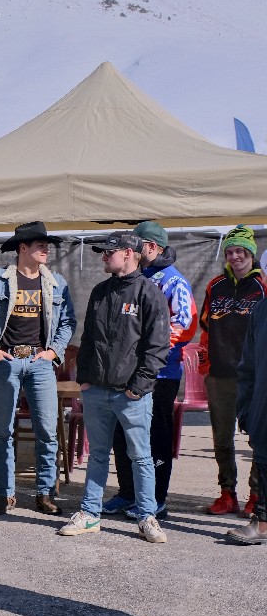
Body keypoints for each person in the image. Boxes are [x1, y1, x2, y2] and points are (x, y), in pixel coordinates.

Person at [58, 231, 170, 544]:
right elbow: (89, 338)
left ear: (129, 254)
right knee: (97, 456)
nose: (104, 257)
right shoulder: (100, 291)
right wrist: (85, 378)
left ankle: (147, 517)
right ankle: (89, 514)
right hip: (96, 390)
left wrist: (139, 386)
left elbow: (158, 346)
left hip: (130, 394)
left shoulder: (149, 293)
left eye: (110, 252)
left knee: (141, 457)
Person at [0, 221, 76, 517]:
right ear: (23, 248)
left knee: (47, 431)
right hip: (6, 361)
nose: (46, 250)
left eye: (47, 245)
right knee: (1, 432)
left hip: (39, 363)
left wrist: (53, 352)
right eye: (40, 245)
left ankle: (45, 494)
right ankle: (4, 494)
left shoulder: (57, 282)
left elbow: (68, 322)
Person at [104, 221, 196, 520]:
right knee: (123, 433)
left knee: (156, 435)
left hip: (161, 374)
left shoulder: (173, 280)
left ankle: (157, 499)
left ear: (152, 247)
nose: (131, 247)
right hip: (126, 373)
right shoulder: (134, 277)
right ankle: (127, 493)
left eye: (138, 243)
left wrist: (151, 349)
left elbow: (186, 325)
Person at [198, 226, 265, 516]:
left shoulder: (262, 285)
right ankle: (227, 494)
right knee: (222, 438)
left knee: (257, 436)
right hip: (221, 374)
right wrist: (206, 364)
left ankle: (257, 495)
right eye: (230, 251)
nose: (235, 256)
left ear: (250, 253)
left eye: (240, 251)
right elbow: (204, 328)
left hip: (254, 376)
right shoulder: (215, 285)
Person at [229, 294, 267, 544]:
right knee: (264, 461)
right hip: (264, 401)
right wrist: (245, 409)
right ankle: (263, 523)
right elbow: (248, 364)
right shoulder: (262, 308)